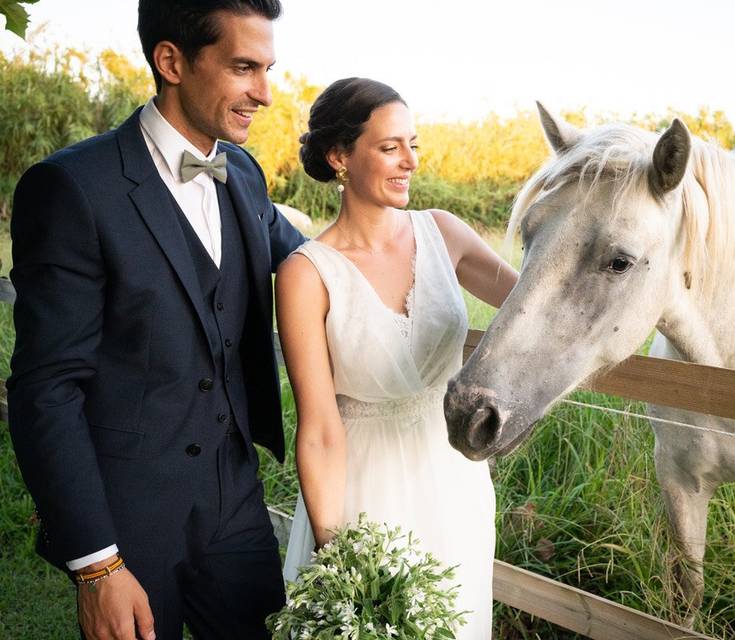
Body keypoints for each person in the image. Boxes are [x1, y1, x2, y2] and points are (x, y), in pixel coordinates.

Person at [6, 1, 306, 638]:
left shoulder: (245, 175)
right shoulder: (72, 187)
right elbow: (45, 389)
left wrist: (418, 238)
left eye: (268, 68)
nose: (266, 93)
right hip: (127, 519)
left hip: (235, 500)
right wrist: (96, 564)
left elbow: (317, 260)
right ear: (171, 61)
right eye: (244, 67)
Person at [277, 77, 517, 638]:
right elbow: (317, 429)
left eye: (414, 144)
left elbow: (534, 305)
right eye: (390, 147)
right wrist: (334, 551)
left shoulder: (444, 233)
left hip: (454, 478)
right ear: (340, 157)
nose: (410, 161)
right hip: (365, 491)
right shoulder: (305, 274)